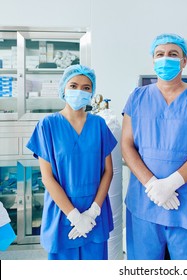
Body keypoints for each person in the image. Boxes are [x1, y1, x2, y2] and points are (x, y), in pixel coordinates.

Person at [121, 33, 187, 260]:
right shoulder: (137, 97)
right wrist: (152, 183)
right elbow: (127, 145)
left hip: (186, 202)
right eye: (160, 54)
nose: (165, 59)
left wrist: (171, 183)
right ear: (153, 60)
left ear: (184, 61)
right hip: (144, 201)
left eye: (173, 54)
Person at [26, 64, 117, 260]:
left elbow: (108, 171)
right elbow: (47, 178)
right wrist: (75, 216)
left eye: (86, 88)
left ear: (92, 92)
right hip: (62, 213)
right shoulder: (47, 125)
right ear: (63, 89)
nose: (79, 91)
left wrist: (92, 212)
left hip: (95, 211)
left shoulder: (99, 124)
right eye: (73, 85)